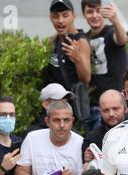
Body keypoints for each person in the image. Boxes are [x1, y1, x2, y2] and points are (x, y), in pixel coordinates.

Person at [15, 100, 83, 175]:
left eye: (66, 120)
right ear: (47, 121)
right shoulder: (32, 138)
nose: (62, 125)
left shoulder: (82, 143)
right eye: (56, 120)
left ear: (72, 121)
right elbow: (20, 171)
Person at [45, 0, 91, 131]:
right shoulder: (52, 41)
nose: (60, 20)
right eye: (56, 16)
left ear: (73, 16)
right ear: (50, 18)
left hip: (72, 112)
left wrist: (77, 59)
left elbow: (86, 79)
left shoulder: (80, 41)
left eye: (65, 15)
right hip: (52, 108)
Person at [82, 0, 127, 130]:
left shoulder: (111, 31)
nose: (95, 15)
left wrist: (115, 21)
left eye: (98, 11)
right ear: (84, 14)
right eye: (90, 12)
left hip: (115, 105)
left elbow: (122, 39)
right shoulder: (85, 38)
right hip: (92, 105)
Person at [82, 89, 127, 169]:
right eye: (106, 110)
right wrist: (89, 163)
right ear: (100, 111)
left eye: (115, 109)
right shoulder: (92, 140)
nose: (111, 114)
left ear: (125, 108)